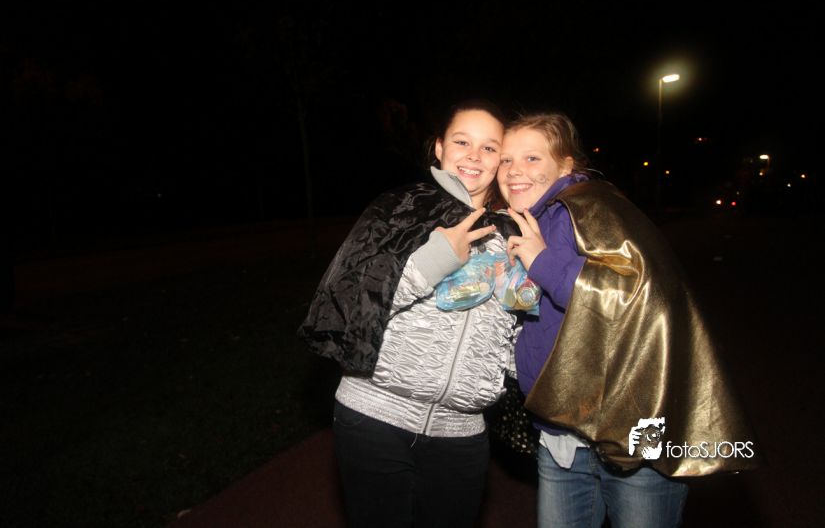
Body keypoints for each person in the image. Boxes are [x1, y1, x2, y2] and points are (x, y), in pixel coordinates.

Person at [498, 113, 760, 527]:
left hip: (630, 434)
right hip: (559, 435)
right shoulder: (533, 218)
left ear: (566, 165)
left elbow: (635, 297)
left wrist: (543, 262)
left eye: (532, 158)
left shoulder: (589, 208)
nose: (515, 170)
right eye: (506, 160)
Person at [299, 100, 520, 528]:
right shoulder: (400, 209)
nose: (474, 156)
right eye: (462, 142)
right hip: (375, 418)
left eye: (489, 147)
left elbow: (512, 332)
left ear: (501, 159)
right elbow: (349, 304)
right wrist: (434, 260)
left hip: (462, 433)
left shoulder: (511, 230)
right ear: (439, 148)